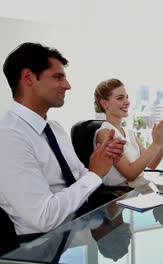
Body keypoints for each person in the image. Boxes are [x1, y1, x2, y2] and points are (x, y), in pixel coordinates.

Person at [0, 42, 126, 236]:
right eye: (58, 77)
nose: (67, 86)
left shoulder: (55, 129)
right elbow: (44, 218)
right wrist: (94, 174)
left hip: (78, 230)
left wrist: (103, 160)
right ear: (28, 77)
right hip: (41, 245)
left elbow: (81, 176)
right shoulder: (8, 136)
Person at [93, 78, 163, 186]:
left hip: (138, 189)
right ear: (105, 103)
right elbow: (130, 173)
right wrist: (156, 143)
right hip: (121, 194)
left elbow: (151, 165)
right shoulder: (105, 133)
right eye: (120, 98)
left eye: (127, 97)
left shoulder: (129, 133)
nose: (127, 102)